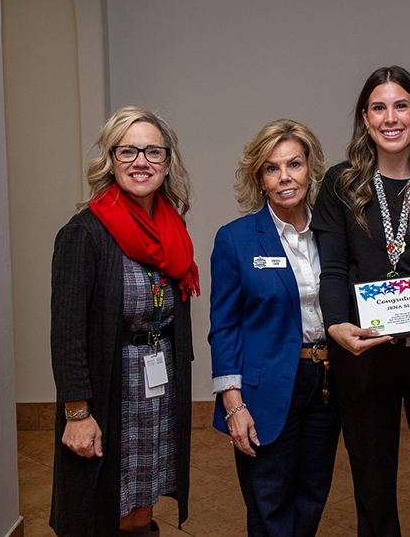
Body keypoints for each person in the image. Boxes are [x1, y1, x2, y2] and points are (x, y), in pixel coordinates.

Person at [311, 66, 410, 537]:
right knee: (374, 501)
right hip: (365, 358)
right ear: (365, 117)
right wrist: (337, 325)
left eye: (401, 105)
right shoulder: (341, 183)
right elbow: (335, 269)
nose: (390, 117)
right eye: (378, 107)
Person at [50, 106, 199, 536]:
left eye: (153, 152)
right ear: (110, 160)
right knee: (100, 506)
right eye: (128, 151)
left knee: (140, 504)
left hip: (155, 389)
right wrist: (77, 413)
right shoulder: (85, 233)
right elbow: (67, 333)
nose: (141, 162)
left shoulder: (172, 230)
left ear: (168, 162)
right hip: (108, 392)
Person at [209, 119, 338, 536]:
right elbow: (224, 326)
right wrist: (233, 402)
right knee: (269, 501)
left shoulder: (335, 234)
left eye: (294, 164)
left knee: (312, 494)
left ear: (310, 169)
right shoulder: (237, 239)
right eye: (272, 168)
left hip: (327, 382)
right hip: (265, 389)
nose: (285, 177)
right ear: (259, 178)